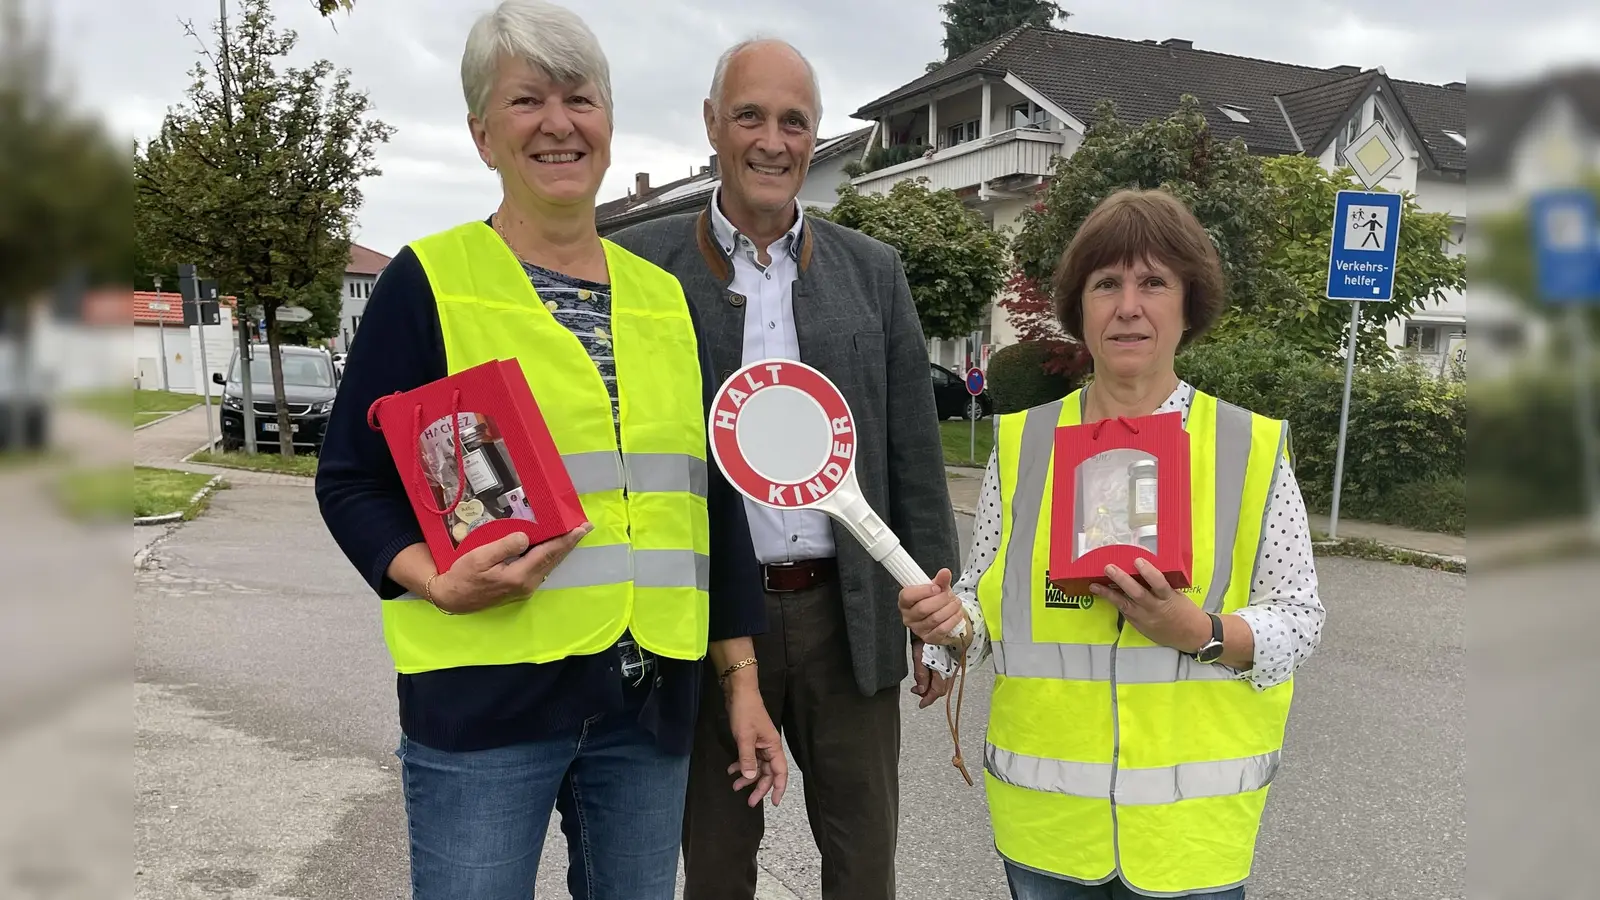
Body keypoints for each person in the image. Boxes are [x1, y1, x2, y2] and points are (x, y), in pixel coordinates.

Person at [313, 3, 785, 897]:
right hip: (487, 700)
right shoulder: (431, 283)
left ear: (608, 124)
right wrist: (430, 578)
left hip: (645, 705)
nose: (559, 123)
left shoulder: (665, 302)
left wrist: (742, 682)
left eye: (581, 98)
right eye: (528, 100)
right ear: (482, 133)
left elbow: (708, 508)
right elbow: (349, 482)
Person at [608, 37, 961, 900]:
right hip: (711, 622)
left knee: (863, 862)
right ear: (712, 126)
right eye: (750, 116)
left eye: (794, 121)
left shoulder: (872, 272)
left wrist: (935, 610)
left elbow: (911, 450)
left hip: (849, 615)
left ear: (815, 136)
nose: (773, 141)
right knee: (719, 862)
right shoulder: (643, 266)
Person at [901, 188, 1326, 900]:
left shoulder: (1246, 445)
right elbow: (984, 607)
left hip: (1190, 840)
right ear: (1081, 309)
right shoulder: (1024, 446)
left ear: (1189, 305)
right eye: (1107, 284)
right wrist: (947, 628)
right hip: (1049, 832)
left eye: (1154, 282)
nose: (1129, 305)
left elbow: (1300, 619)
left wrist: (1203, 631)